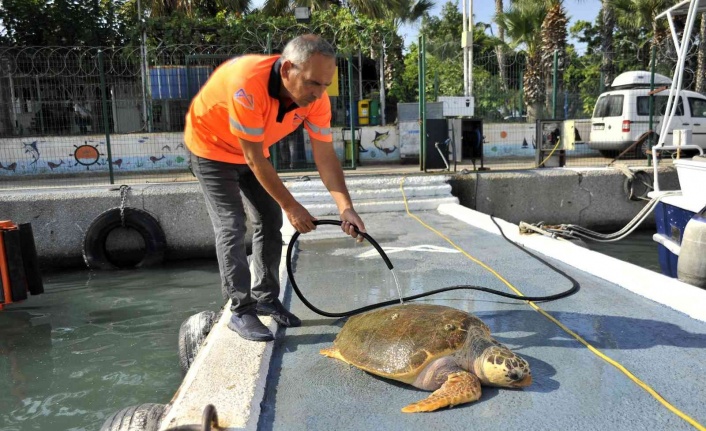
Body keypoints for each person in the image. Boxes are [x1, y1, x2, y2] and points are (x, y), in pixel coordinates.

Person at [184, 34, 366, 342]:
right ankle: (241, 310)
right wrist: (293, 206)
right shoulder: (248, 84)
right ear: (286, 70)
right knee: (231, 224)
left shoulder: (317, 99)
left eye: (325, 85)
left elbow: (325, 155)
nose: (319, 93)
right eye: (312, 83)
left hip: (254, 150)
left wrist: (345, 207)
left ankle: (266, 297)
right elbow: (254, 159)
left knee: (270, 220)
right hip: (210, 149)